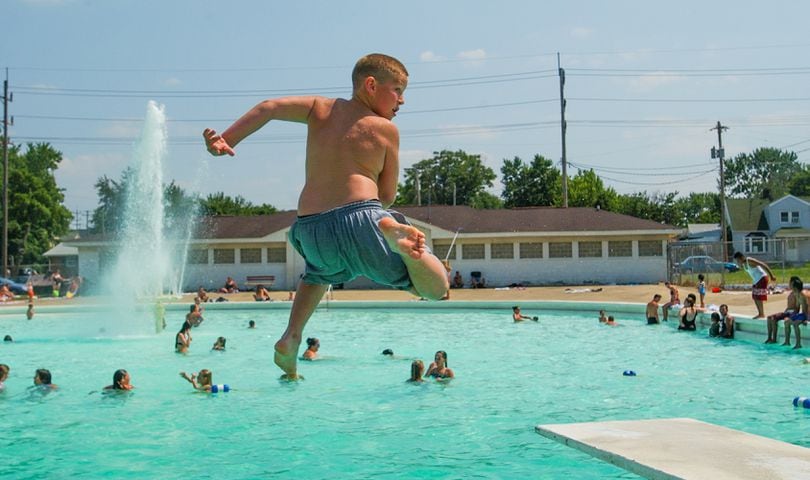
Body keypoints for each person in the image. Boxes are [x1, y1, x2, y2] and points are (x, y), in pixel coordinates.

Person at [204, 53, 449, 380]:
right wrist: (379, 218)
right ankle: (398, 239)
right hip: (363, 218)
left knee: (319, 273)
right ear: (371, 85)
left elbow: (269, 107)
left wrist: (226, 139)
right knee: (434, 289)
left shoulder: (319, 108)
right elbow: (386, 195)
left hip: (311, 229)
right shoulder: (385, 129)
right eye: (398, 90)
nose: (402, 100)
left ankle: (291, 336)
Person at [734, 251, 777, 319]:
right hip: (757, 280)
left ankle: (761, 314)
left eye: (738, 260)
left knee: (758, 296)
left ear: (742, 257)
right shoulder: (744, 265)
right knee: (755, 296)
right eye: (737, 261)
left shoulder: (749, 260)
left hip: (762, 278)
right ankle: (760, 313)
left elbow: (763, 264)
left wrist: (771, 276)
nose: (738, 262)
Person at [766, 276, 799, 344]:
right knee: (769, 318)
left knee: (773, 318)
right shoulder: (791, 293)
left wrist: (793, 315)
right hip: (787, 312)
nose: (788, 284)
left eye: (789, 283)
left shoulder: (797, 294)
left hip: (791, 313)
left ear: (793, 283)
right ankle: (769, 337)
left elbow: (797, 307)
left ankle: (774, 339)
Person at [787, 276, 808, 349]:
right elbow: (797, 307)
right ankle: (787, 342)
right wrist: (793, 315)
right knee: (787, 322)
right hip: (803, 314)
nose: (790, 286)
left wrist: (805, 319)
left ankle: (798, 344)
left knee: (795, 324)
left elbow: (806, 308)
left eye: (792, 285)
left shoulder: (802, 295)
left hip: (807, 314)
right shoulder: (797, 294)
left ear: (795, 287)